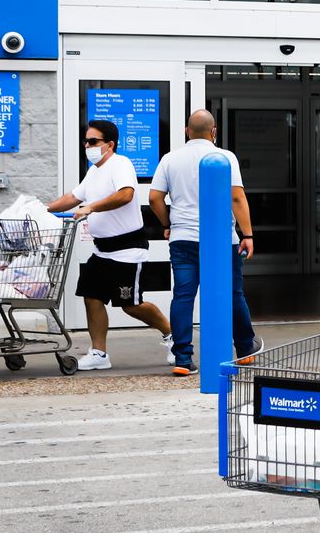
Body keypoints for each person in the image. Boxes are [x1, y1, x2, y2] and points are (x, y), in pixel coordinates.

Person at [45, 120, 173, 369]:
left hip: (127, 251)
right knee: (91, 297)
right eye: (86, 141)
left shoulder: (120, 164)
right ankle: (99, 354)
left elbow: (126, 194)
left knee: (131, 305)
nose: (87, 145)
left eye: (93, 141)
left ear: (110, 145)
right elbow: (73, 197)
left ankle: (173, 336)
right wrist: (43, 209)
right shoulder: (93, 171)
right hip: (101, 250)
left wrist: (92, 207)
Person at [148, 110, 260, 377]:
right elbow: (236, 198)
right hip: (221, 241)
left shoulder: (169, 159)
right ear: (214, 132)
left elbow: (154, 198)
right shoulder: (224, 157)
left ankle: (183, 359)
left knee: (183, 297)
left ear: (187, 131)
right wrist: (248, 235)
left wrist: (168, 225)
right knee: (233, 294)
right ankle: (245, 350)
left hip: (183, 239)